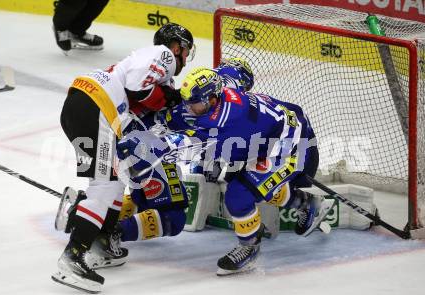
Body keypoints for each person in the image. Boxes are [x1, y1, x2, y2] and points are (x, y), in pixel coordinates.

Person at [117, 67, 332, 276]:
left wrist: (155, 145)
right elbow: (228, 75)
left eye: (194, 104)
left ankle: (250, 248)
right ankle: (306, 203)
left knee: (238, 195)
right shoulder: (214, 91)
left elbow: (190, 145)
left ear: (212, 99)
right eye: (188, 102)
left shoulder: (230, 121)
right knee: (240, 178)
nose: (189, 108)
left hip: (288, 147)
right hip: (269, 134)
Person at [52, 22, 195, 294]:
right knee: (105, 187)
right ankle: (73, 257)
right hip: (97, 107)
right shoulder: (162, 54)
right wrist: (170, 98)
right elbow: (138, 87)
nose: (185, 58)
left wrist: (169, 106)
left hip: (82, 107)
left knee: (115, 183)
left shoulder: (150, 67)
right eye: (185, 51)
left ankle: (101, 243)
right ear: (176, 47)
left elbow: (142, 106)